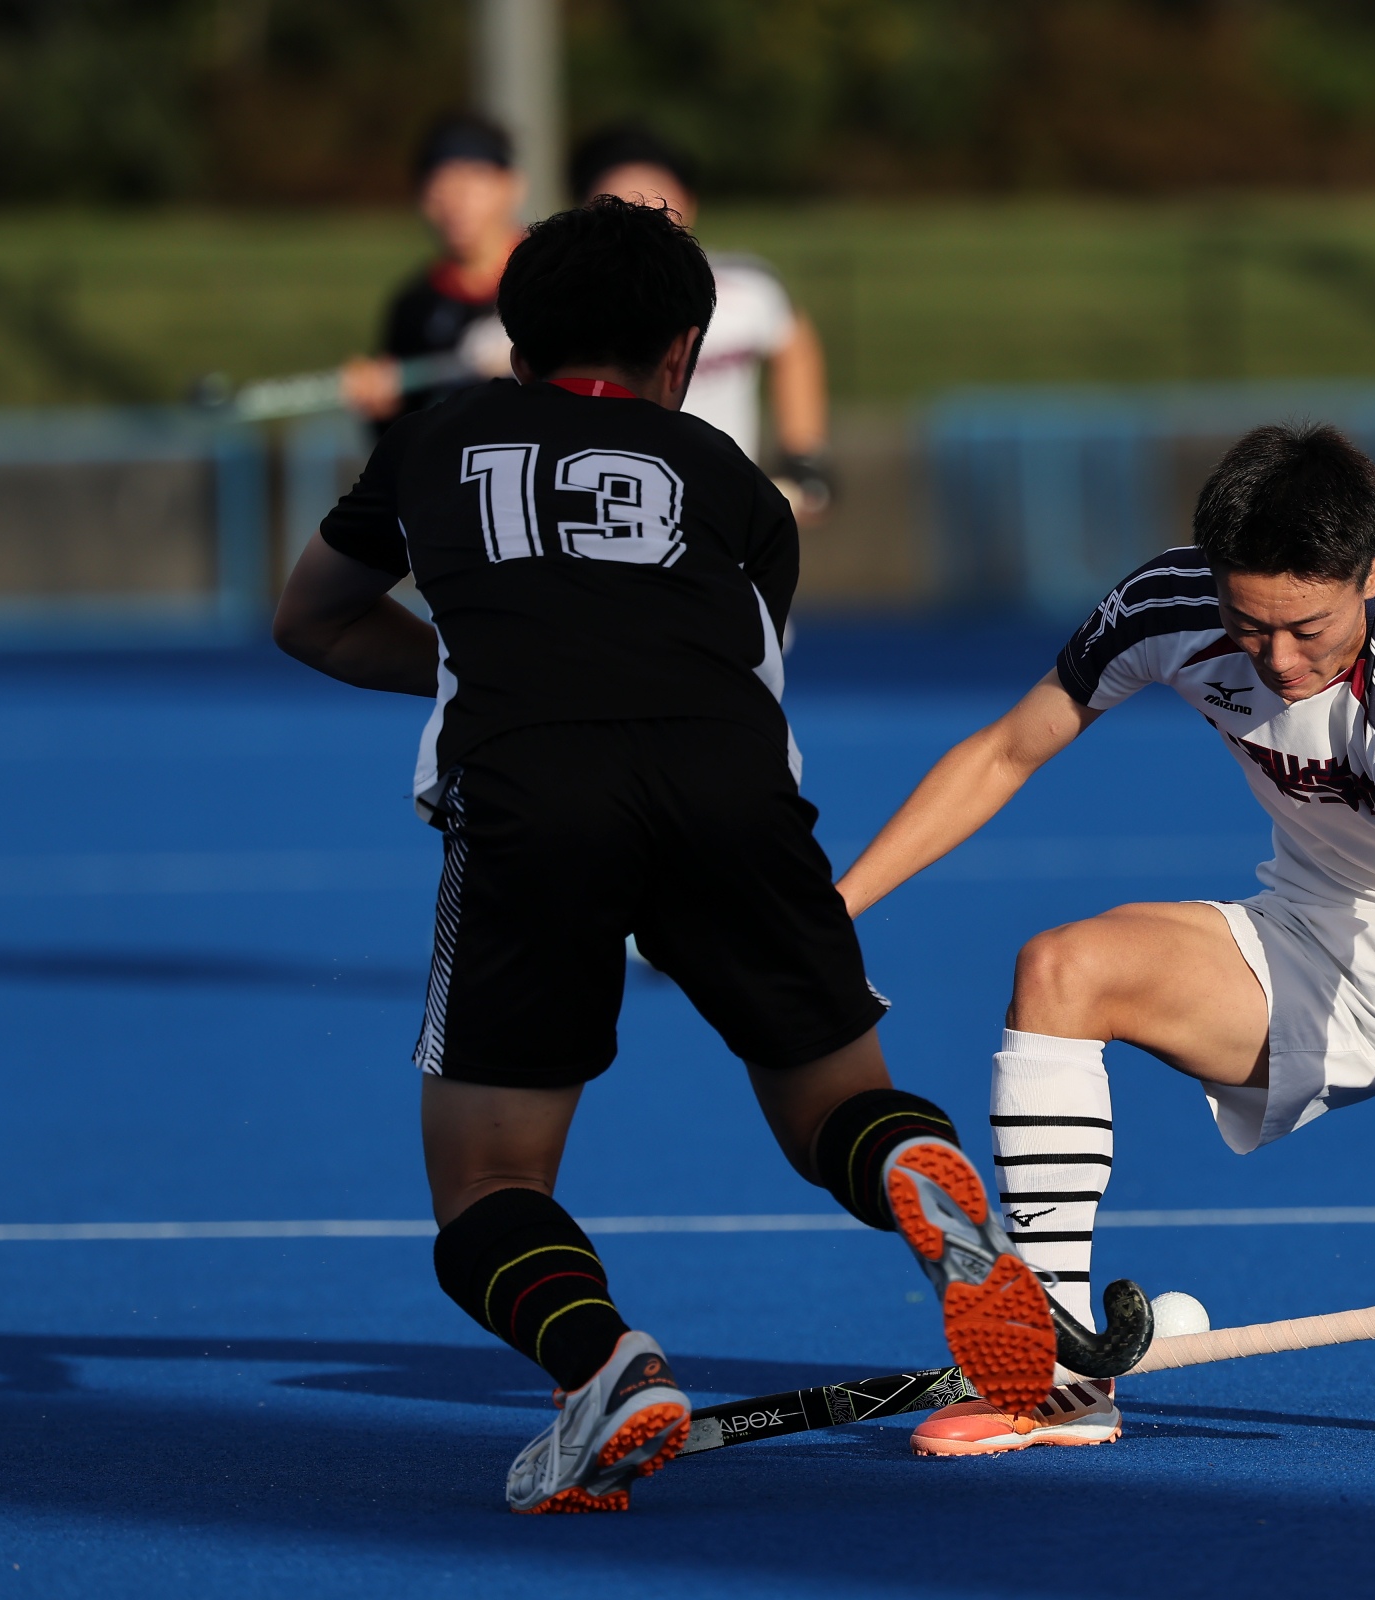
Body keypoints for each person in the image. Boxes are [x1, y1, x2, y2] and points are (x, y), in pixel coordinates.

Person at [273, 198, 1093, 1513]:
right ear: (683, 354)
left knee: (486, 1185)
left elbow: (311, 618)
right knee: (833, 1108)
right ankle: (910, 1174)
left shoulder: (436, 440)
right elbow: (735, 671)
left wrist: (487, 662)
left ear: (513, 343)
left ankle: (604, 1366)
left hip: (535, 794)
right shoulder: (736, 483)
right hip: (733, 789)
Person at [836, 424, 1375, 1461]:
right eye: (1249, 625)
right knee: (1061, 969)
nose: (1278, 660)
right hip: (1313, 933)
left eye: (1308, 629)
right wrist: (829, 912)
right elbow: (1003, 752)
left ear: (1374, 575)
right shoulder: (1166, 605)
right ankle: (1053, 1366)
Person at [571, 124, 834, 518]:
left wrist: (803, 457)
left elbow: (793, 344)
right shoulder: (560, 306)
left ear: (689, 202)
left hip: (722, 512)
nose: (641, 215)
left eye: (656, 197)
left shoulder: (746, 287)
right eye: (619, 201)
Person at [339, 114, 526, 430]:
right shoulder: (416, 304)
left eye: (472, 180)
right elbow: (401, 435)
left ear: (511, 186)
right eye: (441, 184)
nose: (456, 201)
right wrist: (381, 407)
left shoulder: (557, 277)